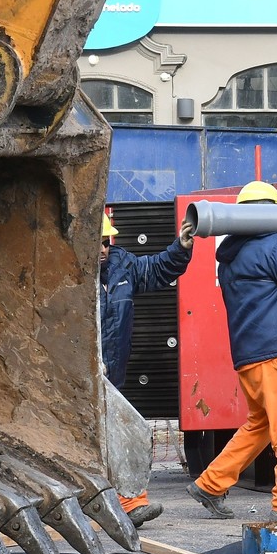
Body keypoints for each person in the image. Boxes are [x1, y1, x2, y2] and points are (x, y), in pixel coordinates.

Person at [186, 180, 277, 522]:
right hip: (276, 351)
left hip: (250, 355)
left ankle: (211, 483)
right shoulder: (273, 244)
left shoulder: (231, 256)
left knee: (263, 424)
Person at [100, 211, 196, 527]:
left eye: (105, 241)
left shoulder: (120, 265)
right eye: (96, 242)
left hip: (109, 376)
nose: (103, 248)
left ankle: (131, 503)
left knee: (119, 431)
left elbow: (155, 270)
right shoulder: (57, 270)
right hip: (67, 376)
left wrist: (180, 248)